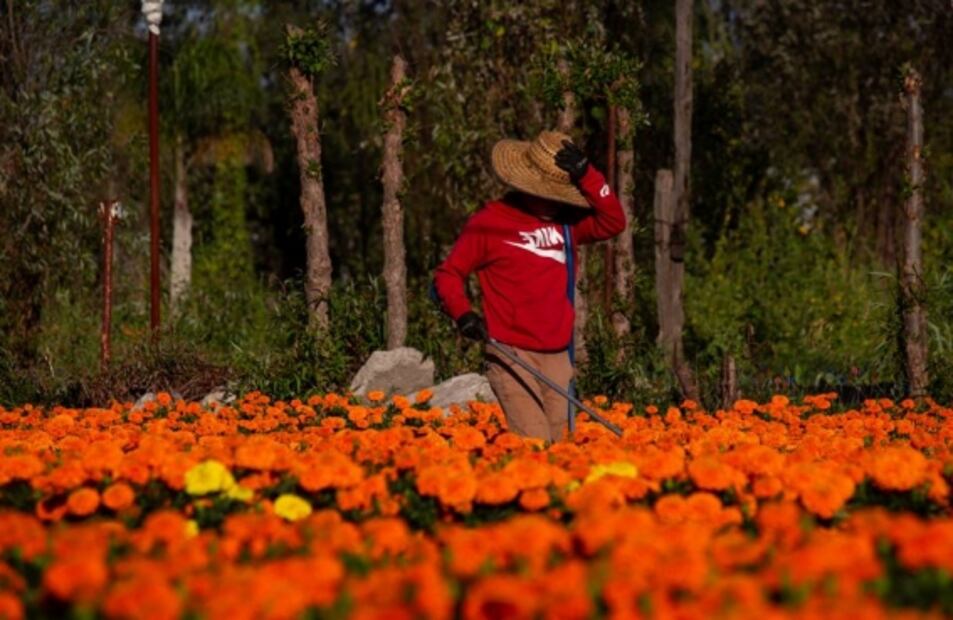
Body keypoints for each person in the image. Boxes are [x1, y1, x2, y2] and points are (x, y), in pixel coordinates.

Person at [433, 130, 625, 441]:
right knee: (534, 445)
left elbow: (614, 222)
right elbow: (448, 273)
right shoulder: (490, 222)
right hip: (511, 355)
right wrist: (463, 314)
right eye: (544, 193)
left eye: (557, 193)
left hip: (558, 357)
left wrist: (588, 175)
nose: (551, 201)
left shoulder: (568, 223)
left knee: (560, 448)